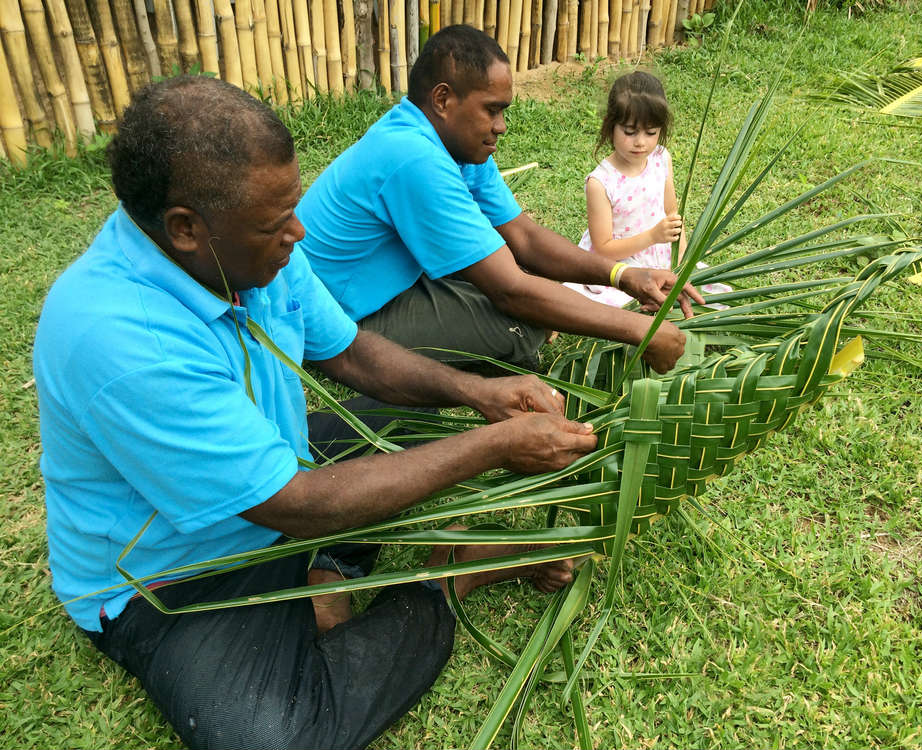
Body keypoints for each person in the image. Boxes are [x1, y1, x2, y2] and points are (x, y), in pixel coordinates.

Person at [33, 76, 597, 750]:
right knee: (278, 740)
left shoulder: (250, 255)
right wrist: (496, 445)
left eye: (293, 209)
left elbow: (354, 355)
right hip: (176, 577)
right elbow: (295, 503)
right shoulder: (119, 338)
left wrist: (480, 395)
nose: (298, 234)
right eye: (276, 225)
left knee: (391, 412)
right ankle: (450, 573)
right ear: (187, 229)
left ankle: (328, 568)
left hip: (277, 470)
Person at [296, 24, 703, 374]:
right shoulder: (414, 158)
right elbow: (511, 290)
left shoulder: (458, 143)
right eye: (492, 110)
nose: (501, 126)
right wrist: (640, 332)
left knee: (538, 291)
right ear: (442, 99)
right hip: (338, 318)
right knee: (523, 323)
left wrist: (624, 276)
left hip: (387, 283)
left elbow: (523, 237)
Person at [567, 70, 731, 308]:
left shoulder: (661, 159)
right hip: (621, 265)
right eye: (630, 132)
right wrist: (652, 236)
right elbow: (602, 249)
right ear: (610, 126)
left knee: (713, 291)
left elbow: (672, 212)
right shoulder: (600, 182)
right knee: (624, 307)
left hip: (660, 256)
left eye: (651, 133)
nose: (641, 142)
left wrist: (681, 259)